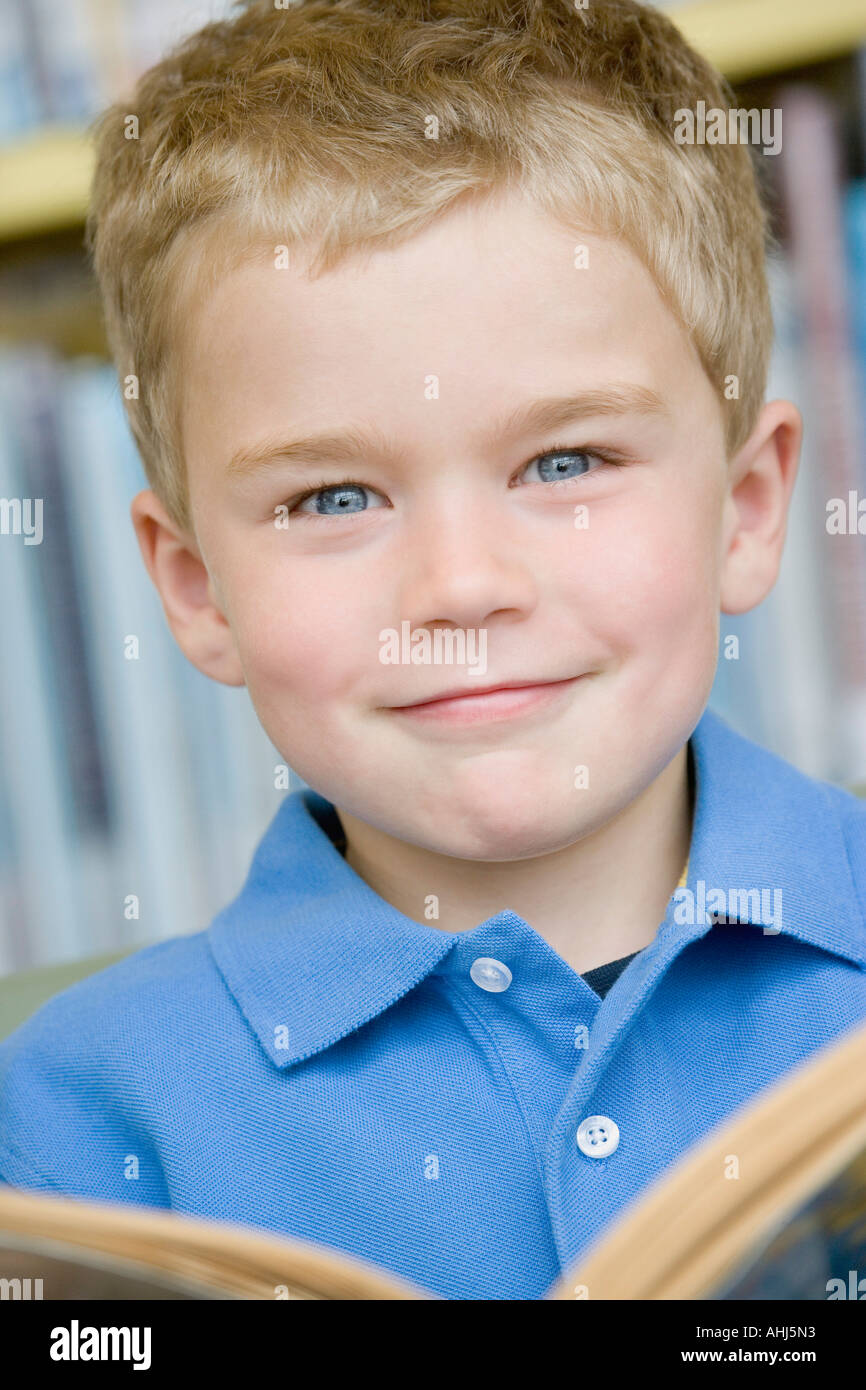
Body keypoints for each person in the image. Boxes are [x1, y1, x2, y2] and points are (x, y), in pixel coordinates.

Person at [2, 0, 864, 1301]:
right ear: (196, 588)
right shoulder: (62, 1124)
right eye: (333, 498)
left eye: (564, 461)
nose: (461, 586)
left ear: (745, 508)